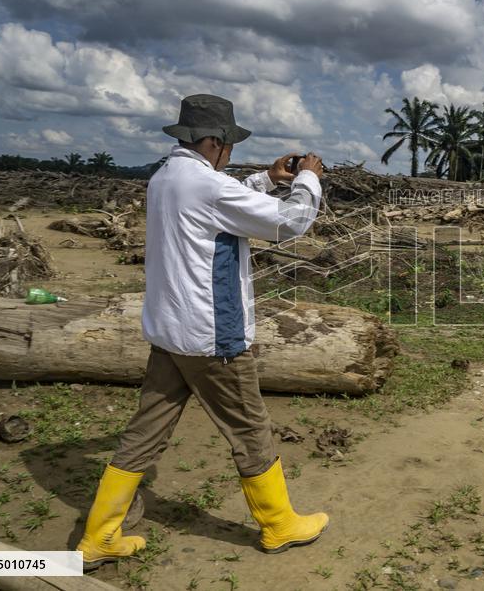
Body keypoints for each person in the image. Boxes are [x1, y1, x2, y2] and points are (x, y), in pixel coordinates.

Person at [76, 94, 328, 569]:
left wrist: (266, 179)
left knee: (145, 432)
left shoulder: (166, 177)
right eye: (228, 145)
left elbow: (219, 197)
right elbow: (291, 222)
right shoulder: (206, 187)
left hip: (170, 331)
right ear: (213, 142)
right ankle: (278, 524)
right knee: (250, 428)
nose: (229, 152)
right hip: (212, 337)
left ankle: (100, 535)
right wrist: (308, 177)